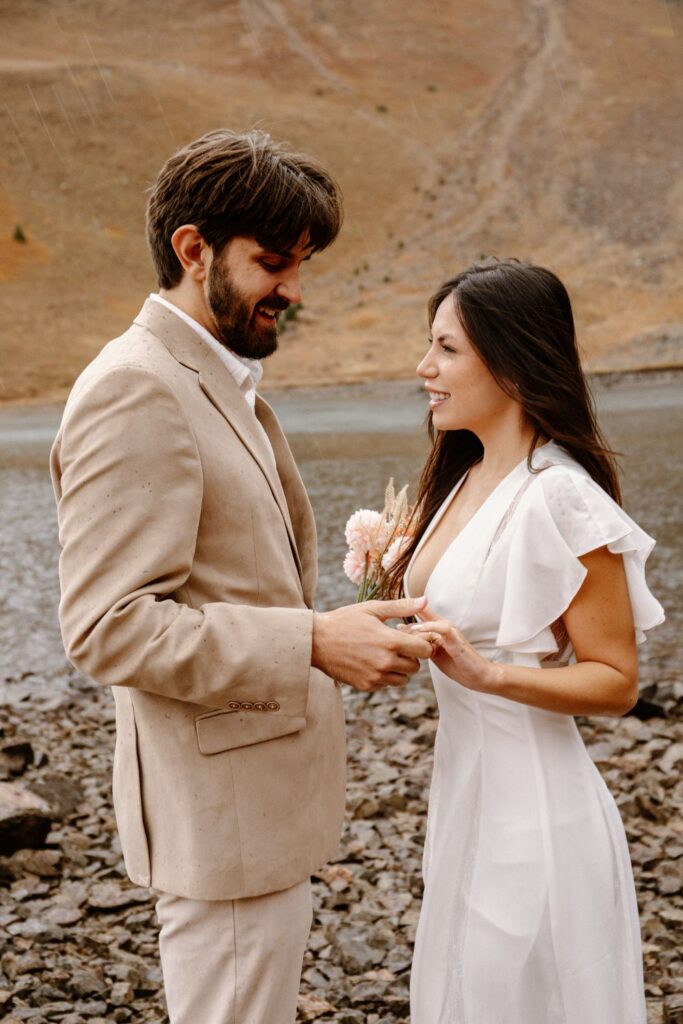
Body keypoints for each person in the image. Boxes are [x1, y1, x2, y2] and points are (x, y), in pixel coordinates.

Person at [49, 128, 431, 1024]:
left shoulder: (215, 379)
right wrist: (311, 639)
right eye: (272, 263)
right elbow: (107, 625)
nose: (293, 292)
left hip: (253, 815)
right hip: (219, 828)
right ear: (193, 250)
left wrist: (345, 622)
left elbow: (223, 587)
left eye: (301, 266)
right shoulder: (136, 387)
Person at [383, 258, 664, 1024]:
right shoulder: (462, 477)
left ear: (507, 359)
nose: (424, 368)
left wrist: (487, 674)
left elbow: (614, 679)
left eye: (445, 348)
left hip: (535, 811)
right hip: (462, 793)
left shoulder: (561, 495)